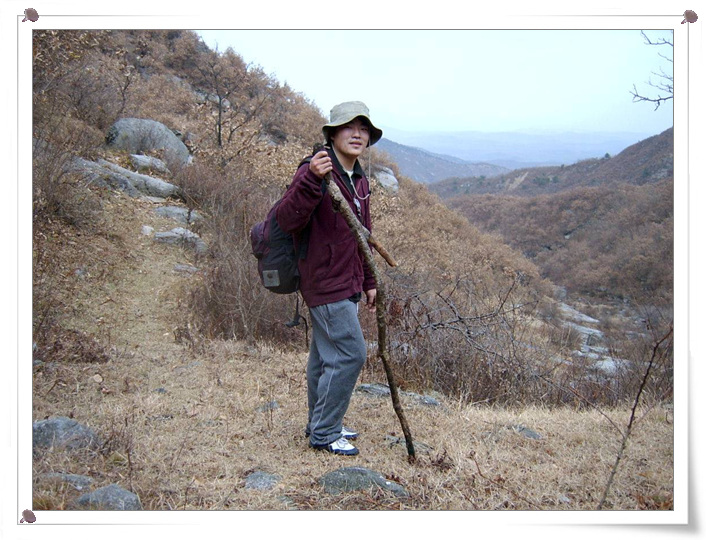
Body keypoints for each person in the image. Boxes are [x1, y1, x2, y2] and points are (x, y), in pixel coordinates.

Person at [276, 101, 383, 456]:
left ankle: (319, 422)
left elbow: (362, 233)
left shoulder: (359, 179)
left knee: (323, 359)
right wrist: (310, 179)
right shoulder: (315, 169)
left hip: (347, 280)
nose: (357, 134)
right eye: (349, 127)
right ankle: (324, 432)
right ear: (332, 134)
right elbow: (287, 220)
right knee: (351, 353)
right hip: (323, 281)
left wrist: (369, 279)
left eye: (364, 129)